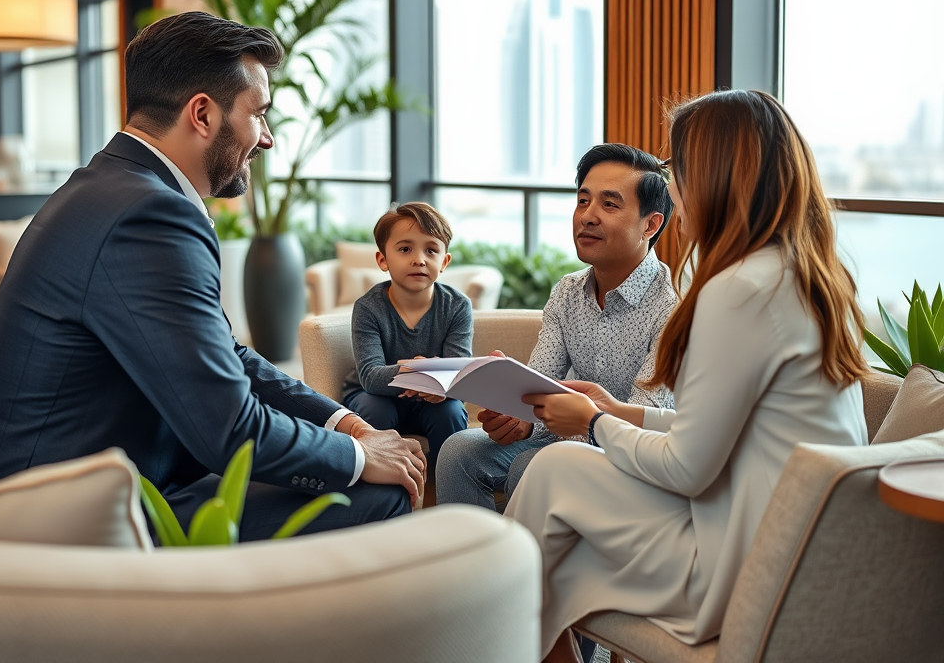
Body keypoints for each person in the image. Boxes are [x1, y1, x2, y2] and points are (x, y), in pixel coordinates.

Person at [0, 11, 427, 540]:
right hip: (58, 526)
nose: (267, 139)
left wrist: (345, 423)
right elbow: (226, 429)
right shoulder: (150, 216)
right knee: (373, 490)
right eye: (259, 114)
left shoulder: (110, 187)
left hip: (52, 492)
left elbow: (229, 355)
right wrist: (357, 456)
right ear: (202, 114)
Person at [509, 90, 869, 662]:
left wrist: (595, 422)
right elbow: (719, 428)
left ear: (716, 175)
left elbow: (687, 468)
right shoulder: (801, 274)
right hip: (796, 543)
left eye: (677, 169)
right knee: (552, 501)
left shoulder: (737, 290)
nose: (673, 187)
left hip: (745, 565)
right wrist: (619, 411)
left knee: (552, 484)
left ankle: (491, 626)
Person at [436, 144, 676, 510]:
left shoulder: (673, 307)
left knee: (530, 467)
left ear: (651, 223)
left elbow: (636, 426)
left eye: (609, 205)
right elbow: (538, 386)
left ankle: (524, 567)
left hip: (632, 452)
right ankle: (470, 564)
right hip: (567, 435)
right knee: (458, 452)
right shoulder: (567, 291)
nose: (587, 217)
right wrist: (520, 418)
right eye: (583, 201)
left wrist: (556, 423)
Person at [341, 202, 471, 467]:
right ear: (382, 259)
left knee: (451, 411)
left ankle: (449, 490)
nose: (419, 259)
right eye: (405, 249)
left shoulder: (457, 306)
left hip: (432, 402)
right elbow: (370, 377)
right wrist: (423, 373)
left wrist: (436, 383)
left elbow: (458, 374)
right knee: (374, 408)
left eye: (431, 250)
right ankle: (381, 497)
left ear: (444, 262)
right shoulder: (368, 307)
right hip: (375, 396)